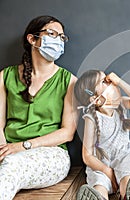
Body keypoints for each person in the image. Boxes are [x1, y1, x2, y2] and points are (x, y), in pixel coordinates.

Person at [0, 15, 77, 199]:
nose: (58, 41)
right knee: (8, 163)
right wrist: (4, 149)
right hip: (8, 149)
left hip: (51, 154)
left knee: (11, 167)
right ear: (32, 39)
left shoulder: (70, 81)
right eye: (52, 34)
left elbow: (67, 133)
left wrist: (23, 146)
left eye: (62, 37)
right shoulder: (5, 76)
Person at [74, 70, 130, 200]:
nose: (111, 82)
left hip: (124, 157)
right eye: (104, 81)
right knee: (100, 185)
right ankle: (99, 197)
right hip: (101, 163)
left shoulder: (121, 104)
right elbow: (87, 156)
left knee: (128, 181)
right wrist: (107, 171)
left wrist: (120, 82)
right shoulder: (91, 117)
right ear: (95, 98)